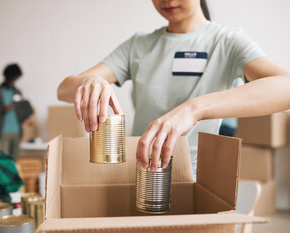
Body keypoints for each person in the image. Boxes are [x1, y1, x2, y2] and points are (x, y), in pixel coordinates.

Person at [57, 0, 290, 176]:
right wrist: (87, 81)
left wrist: (193, 109)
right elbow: (64, 89)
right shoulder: (138, 45)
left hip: (198, 171)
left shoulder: (227, 41)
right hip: (138, 167)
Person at [0, 63, 30, 160]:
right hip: (2, 132)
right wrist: (2, 110)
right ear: (5, 76)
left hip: (17, 132)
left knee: (14, 161)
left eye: (15, 79)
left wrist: (26, 119)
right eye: (11, 78)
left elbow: (20, 111)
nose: (12, 81)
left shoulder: (18, 92)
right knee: (3, 160)